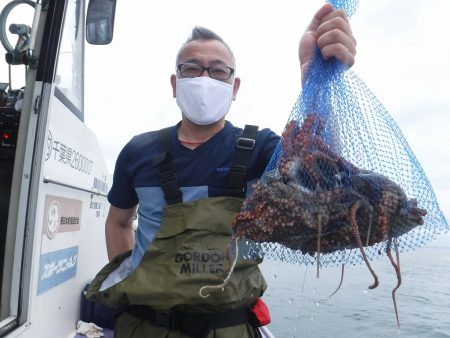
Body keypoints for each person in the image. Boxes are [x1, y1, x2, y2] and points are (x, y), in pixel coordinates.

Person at [87, 3, 357, 338]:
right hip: (142, 325)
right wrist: (138, 277)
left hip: (229, 327)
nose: (204, 79)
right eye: (191, 69)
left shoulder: (261, 148)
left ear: (234, 86)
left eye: (218, 71)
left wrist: (317, 82)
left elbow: (325, 179)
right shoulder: (138, 151)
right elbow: (118, 220)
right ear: (175, 84)